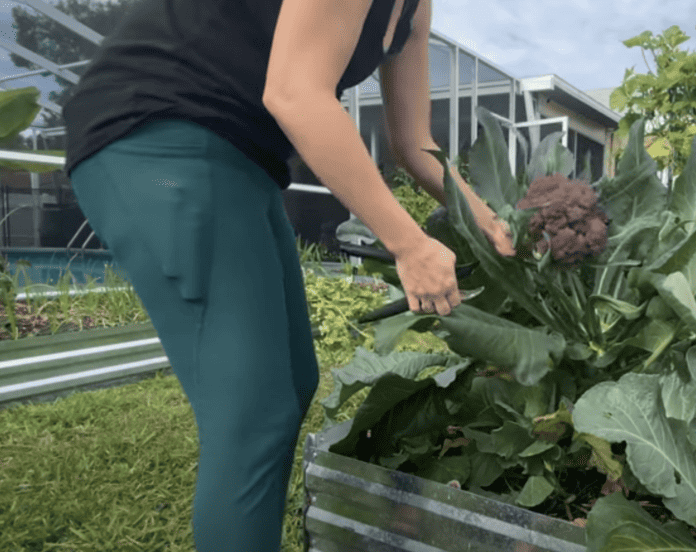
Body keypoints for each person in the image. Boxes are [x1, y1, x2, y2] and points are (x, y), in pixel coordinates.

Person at [61, 0, 514, 550]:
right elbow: (295, 94)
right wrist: (409, 243)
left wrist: (491, 220)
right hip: (158, 138)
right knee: (252, 412)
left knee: (292, 383)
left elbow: (415, 144)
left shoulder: (415, 11)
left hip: (242, 160)